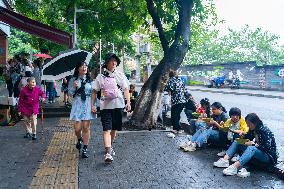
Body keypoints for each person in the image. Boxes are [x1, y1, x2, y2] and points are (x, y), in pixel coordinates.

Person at [91, 53, 131, 163]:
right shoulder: (100, 76)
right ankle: (108, 152)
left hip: (118, 105)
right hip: (105, 107)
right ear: (106, 63)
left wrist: (128, 102)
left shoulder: (120, 75)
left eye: (115, 61)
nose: (114, 63)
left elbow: (126, 89)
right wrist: (92, 105)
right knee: (106, 129)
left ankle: (110, 146)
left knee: (114, 129)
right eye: (111, 61)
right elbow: (94, 91)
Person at [213, 113, 278, 177]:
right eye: (247, 124)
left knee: (251, 148)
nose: (247, 126)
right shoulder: (254, 128)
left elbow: (267, 147)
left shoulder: (264, 130)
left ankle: (234, 167)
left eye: (249, 124)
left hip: (268, 157)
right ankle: (225, 160)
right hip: (259, 151)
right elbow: (248, 137)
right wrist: (243, 136)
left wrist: (253, 144)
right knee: (237, 141)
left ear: (255, 123)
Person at [68, 61, 96, 158]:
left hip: (88, 103)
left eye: (85, 66)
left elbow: (94, 94)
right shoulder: (73, 80)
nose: (84, 68)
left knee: (85, 127)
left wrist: (94, 106)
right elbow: (70, 94)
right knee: (77, 128)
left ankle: (85, 148)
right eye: (82, 66)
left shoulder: (91, 80)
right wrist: (74, 87)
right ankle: (79, 139)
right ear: (78, 68)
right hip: (78, 103)